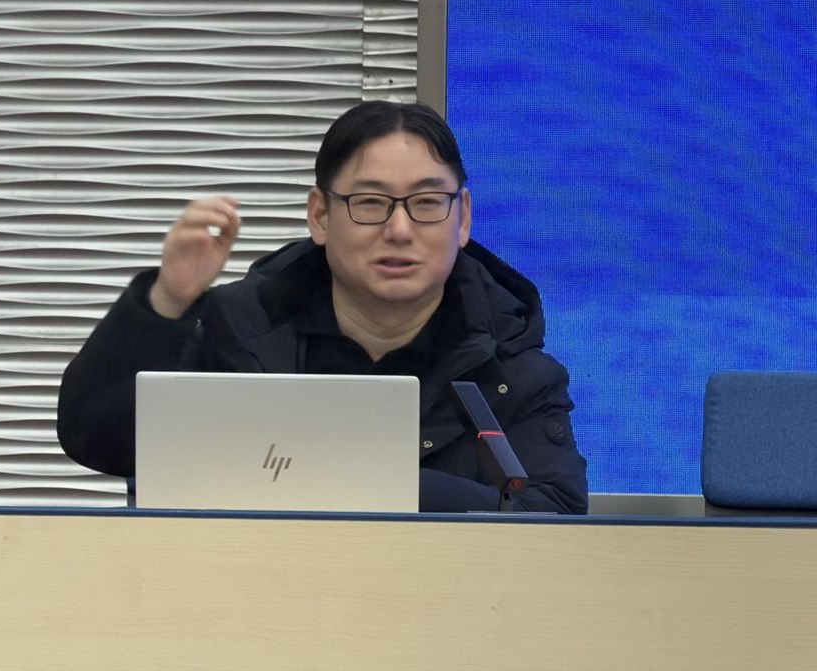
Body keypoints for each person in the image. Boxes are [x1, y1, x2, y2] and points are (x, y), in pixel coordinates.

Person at [57, 101, 588, 513]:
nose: (399, 229)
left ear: (463, 217)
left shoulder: (511, 369)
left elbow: (554, 526)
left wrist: (369, 484)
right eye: (370, 202)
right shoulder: (235, 332)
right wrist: (168, 301)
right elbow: (99, 442)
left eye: (427, 202)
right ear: (320, 216)